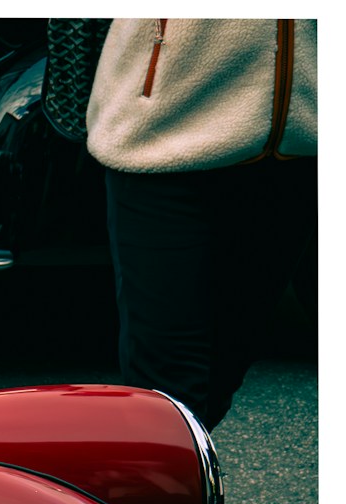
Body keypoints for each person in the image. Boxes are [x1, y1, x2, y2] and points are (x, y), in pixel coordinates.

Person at [85, 19, 316, 429]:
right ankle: (162, 488)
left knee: (223, 368)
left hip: (302, 144)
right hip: (163, 137)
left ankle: (177, 482)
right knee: (170, 391)